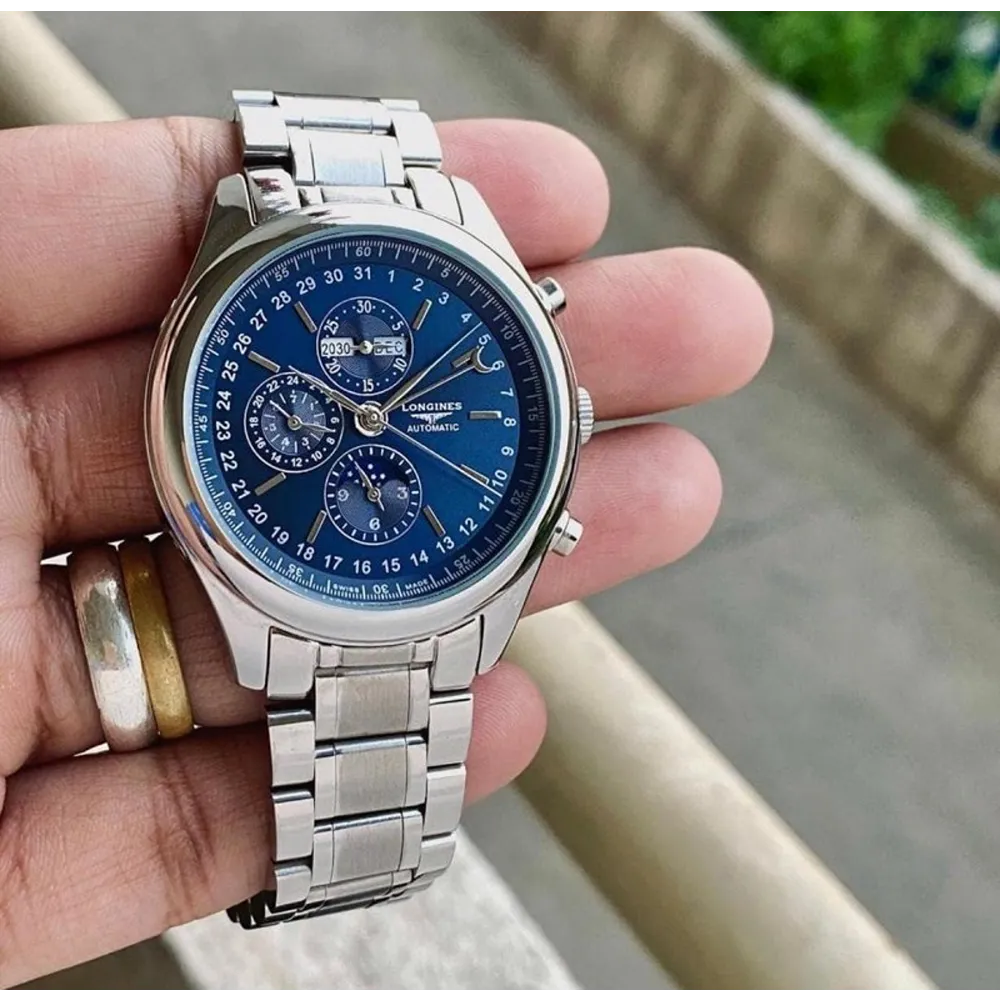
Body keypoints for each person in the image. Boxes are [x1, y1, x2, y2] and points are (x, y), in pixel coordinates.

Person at [0, 114, 771, 986]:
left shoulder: (492, 343)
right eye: (358, 409)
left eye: (376, 409)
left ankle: (335, 868)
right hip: (275, 574)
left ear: (570, 418)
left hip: (435, 577)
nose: (370, 416)